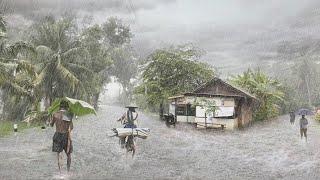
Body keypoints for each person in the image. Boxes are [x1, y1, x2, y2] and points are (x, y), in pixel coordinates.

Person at [50, 101, 74, 173]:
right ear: (66, 107)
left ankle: (61, 174)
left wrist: (51, 119)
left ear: (60, 106)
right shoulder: (68, 115)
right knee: (68, 154)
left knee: (59, 154)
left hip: (57, 135)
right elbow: (71, 127)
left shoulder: (55, 114)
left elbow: (51, 125)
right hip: (66, 136)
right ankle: (68, 171)